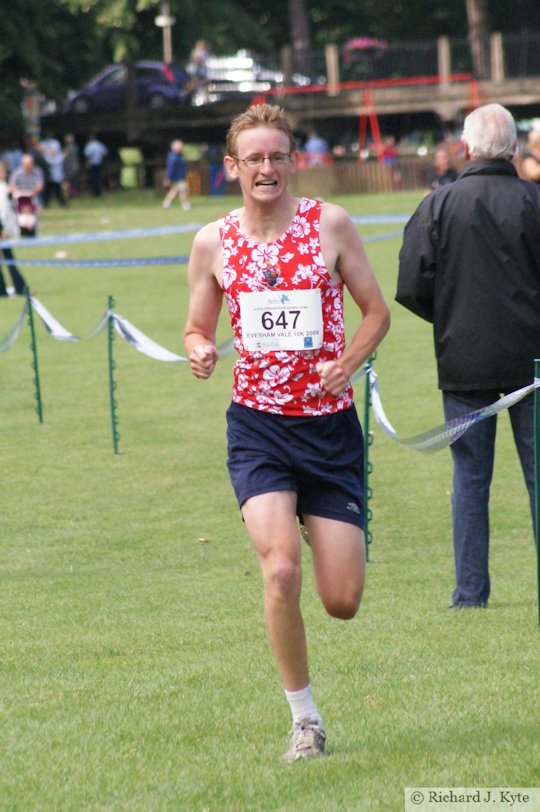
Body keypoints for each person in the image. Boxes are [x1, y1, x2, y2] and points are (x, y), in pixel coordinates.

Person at [183, 103, 390, 761]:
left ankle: (325, 519)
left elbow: (376, 312)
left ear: (292, 160)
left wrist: (347, 363)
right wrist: (199, 349)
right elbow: (196, 325)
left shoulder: (329, 225)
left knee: (342, 600)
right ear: (232, 168)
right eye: (254, 159)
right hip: (258, 428)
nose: (266, 168)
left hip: (329, 432)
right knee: (280, 570)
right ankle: (306, 721)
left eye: (277, 156)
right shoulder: (213, 242)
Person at [396, 103, 540, 610]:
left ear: (465, 148)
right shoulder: (534, 201)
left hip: (464, 361)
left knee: (469, 480)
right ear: (515, 149)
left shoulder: (438, 205)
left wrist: (452, 318)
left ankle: (470, 595)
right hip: (533, 364)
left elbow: (411, 283)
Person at [0, 160, 28, 297]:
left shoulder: (5, 187)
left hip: (6, 230)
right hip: (2, 231)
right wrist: (3, 230)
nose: (4, 173)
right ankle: (15, 288)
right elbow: (2, 212)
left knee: (10, 260)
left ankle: (18, 287)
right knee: (9, 259)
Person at [39, 132, 67, 207]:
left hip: (55, 169)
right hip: (48, 168)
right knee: (47, 187)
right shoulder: (43, 143)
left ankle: (63, 203)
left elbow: (54, 154)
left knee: (57, 187)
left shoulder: (55, 143)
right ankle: (45, 203)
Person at [162, 139, 190, 210]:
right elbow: (171, 169)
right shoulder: (173, 157)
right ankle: (185, 204)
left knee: (174, 190)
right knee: (183, 190)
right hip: (178, 177)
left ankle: (166, 203)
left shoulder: (178, 156)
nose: (181, 148)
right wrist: (169, 178)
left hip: (179, 177)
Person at [84, 132, 108, 197]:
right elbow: (105, 153)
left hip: (92, 164)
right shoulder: (99, 144)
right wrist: (101, 159)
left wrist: (87, 163)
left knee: (93, 179)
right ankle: (99, 192)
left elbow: (88, 155)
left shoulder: (89, 145)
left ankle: (95, 193)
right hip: (99, 163)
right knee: (99, 178)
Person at [63, 133, 80, 198]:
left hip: (71, 167)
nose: (68, 139)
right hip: (70, 167)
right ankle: (72, 194)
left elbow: (64, 156)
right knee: (71, 181)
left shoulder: (69, 147)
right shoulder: (74, 147)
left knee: (72, 181)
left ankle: (73, 194)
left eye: (69, 138)